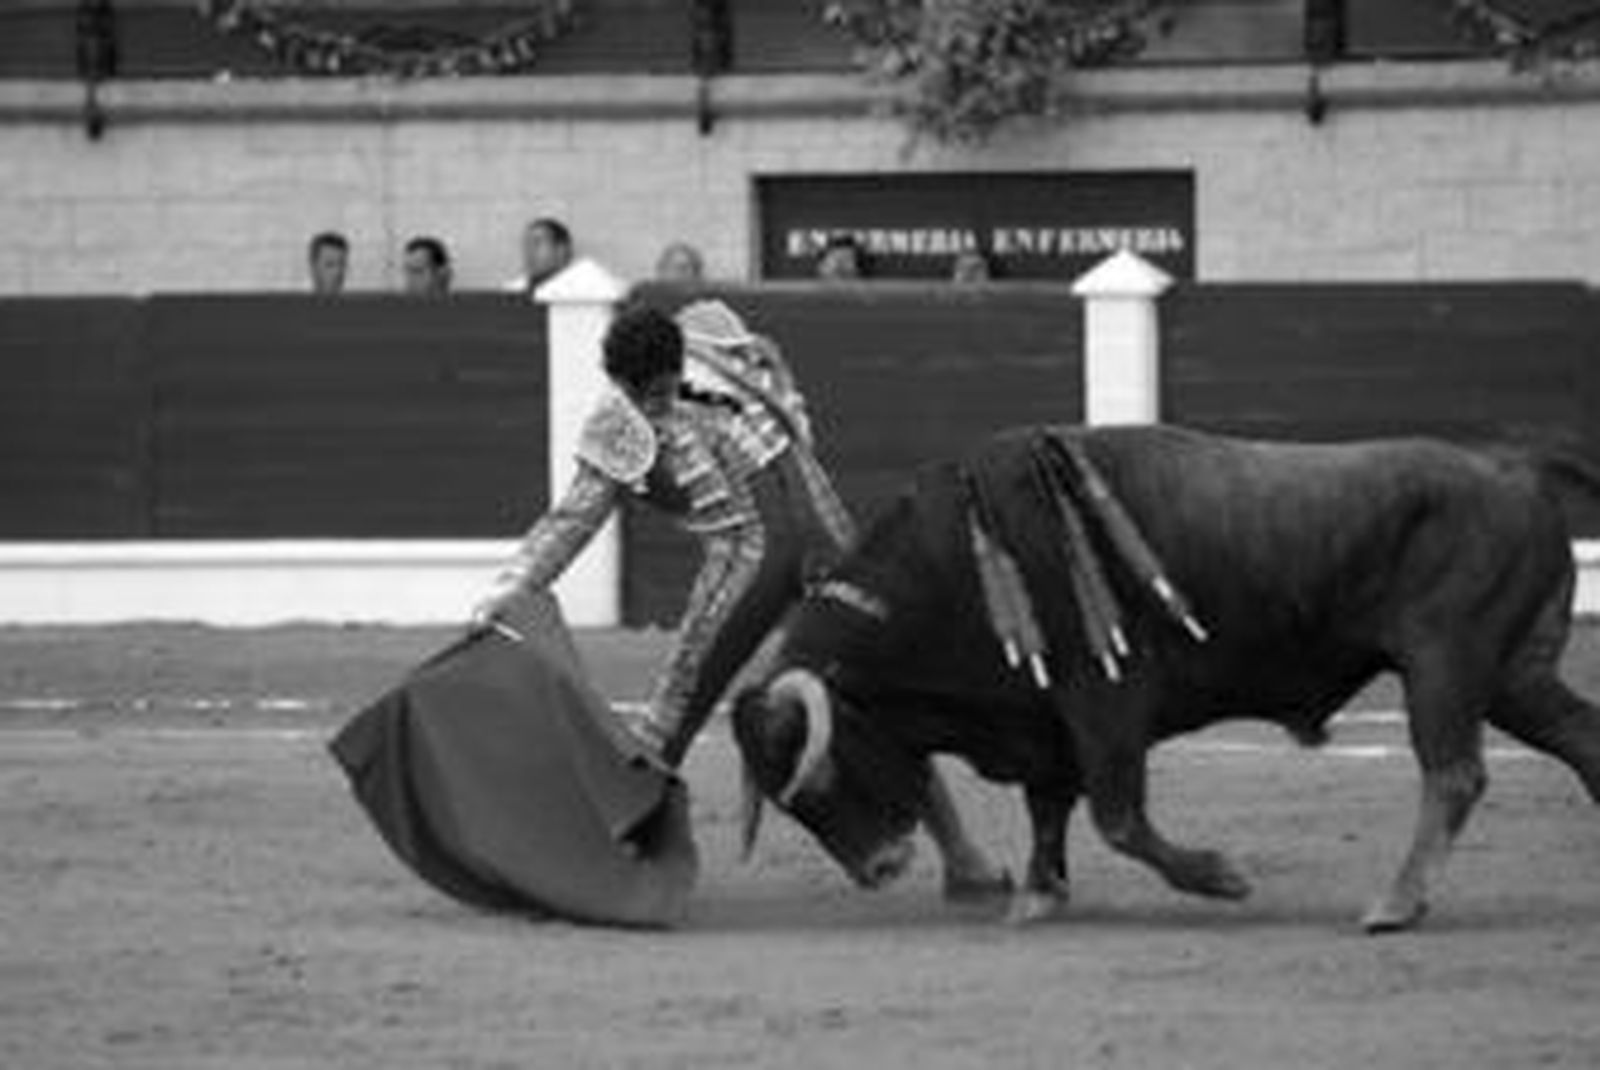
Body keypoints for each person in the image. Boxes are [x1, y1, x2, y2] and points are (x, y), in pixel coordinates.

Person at [473, 302, 1007, 897]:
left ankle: (610, 864)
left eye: (657, 390)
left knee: (675, 708)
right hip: (829, 534)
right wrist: (514, 589)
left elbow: (573, 520)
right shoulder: (725, 347)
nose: (654, 403)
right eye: (644, 393)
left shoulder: (620, 417)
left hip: (752, 555)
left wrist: (509, 591)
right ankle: (964, 858)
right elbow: (797, 424)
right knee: (880, 697)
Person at [506, 217, 574, 295]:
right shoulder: (512, 289)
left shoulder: (581, 291)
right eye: (527, 244)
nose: (529, 251)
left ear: (560, 250)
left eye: (537, 243)